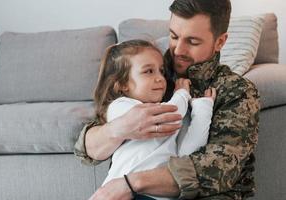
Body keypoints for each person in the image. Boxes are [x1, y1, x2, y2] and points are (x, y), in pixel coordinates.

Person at [74, 0, 260, 199]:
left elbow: (218, 169)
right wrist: (117, 129)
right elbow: (87, 149)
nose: (178, 50)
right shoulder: (151, 73)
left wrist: (131, 183)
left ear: (220, 42)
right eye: (173, 36)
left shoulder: (237, 91)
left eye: (193, 41)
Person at [92, 39, 216, 200]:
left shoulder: (170, 114)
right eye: (149, 71)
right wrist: (182, 94)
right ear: (122, 84)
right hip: (121, 195)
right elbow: (165, 117)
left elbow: (189, 154)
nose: (160, 78)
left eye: (161, 71)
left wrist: (203, 109)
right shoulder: (119, 107)